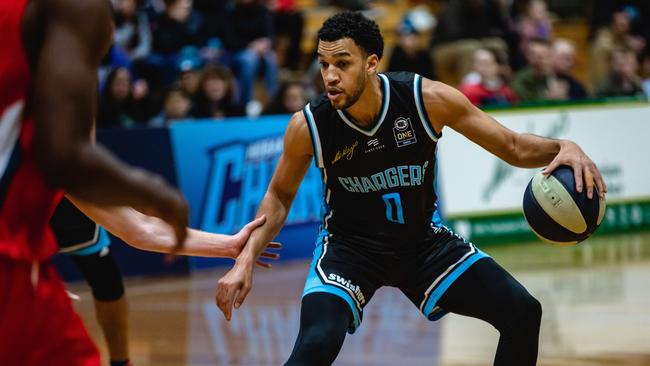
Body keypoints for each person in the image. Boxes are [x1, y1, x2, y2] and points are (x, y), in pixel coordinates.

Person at [215, 11, 607, 366]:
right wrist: (246, 257)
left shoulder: (426, 99)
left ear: (371, 64)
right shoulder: (310, 125)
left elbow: (513, 147)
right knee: (316, 343)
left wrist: (562, 147)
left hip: (423, 243)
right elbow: (280, 194)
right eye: (323, 64)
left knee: (523, 312)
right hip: (349, 249)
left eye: (342, 63)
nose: (330, 76)